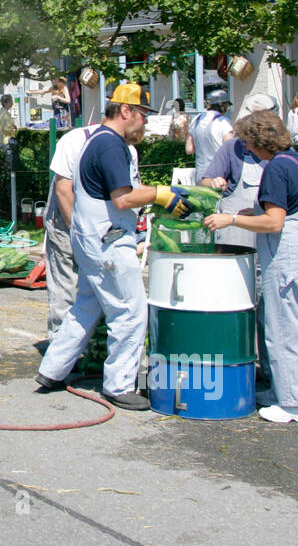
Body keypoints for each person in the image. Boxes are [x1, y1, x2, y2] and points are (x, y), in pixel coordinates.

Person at [35, 83, 193, 411]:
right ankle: (119, 385)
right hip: (108, 242)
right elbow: (123, 198)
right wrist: (161, 193)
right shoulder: (111, 146)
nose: (145, 123)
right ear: (125, 111)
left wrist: (152, 194)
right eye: (142, 115)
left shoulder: (97, 142)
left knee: (86, 307)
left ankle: (52, 369)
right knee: (130, 312)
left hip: (90, 239)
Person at [202, 110, 298, 424]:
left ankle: (296, 405)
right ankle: (285, 392)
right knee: (294, 328)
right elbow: (287, 207)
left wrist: (231, 218)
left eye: (247, 141)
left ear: (257, 143)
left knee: (282, 331)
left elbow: (274, 222)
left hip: (288, 256)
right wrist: (249, 210)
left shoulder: (276, 169)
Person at [43, 121, 101, 338]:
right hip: (64, 221)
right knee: (65, 286)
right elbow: (63, 190)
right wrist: (77, 233)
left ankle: (91, 340)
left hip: (96, 226)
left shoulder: (128, 149)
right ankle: (61, 345)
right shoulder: (74, 141)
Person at [199, 135, 266, 251]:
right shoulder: (232, 147)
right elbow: (204, 182)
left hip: (268, 238)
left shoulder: (281, 153)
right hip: (236, 236)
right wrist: (214, 183)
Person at [187, 88, 233, 180]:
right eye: (227, 106)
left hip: (200, 173)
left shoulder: (196, 119)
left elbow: (189, 149)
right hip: (219, 174)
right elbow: (230, 149)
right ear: (223, 106)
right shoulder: (224, 122)